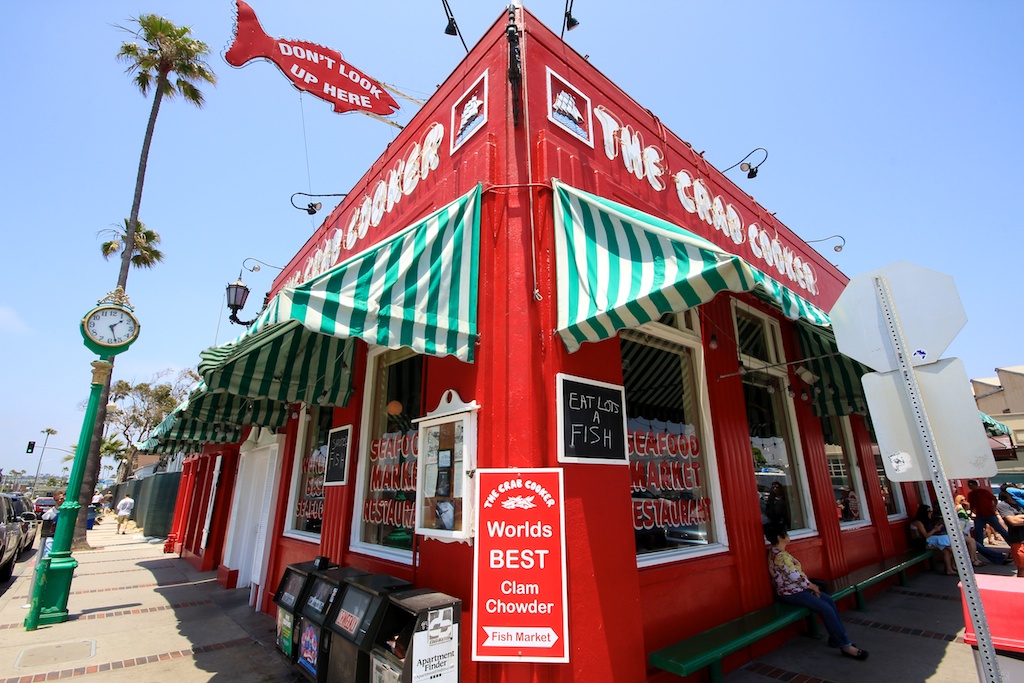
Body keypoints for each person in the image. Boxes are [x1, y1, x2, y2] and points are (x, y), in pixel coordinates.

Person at [763, 523, 868, 661]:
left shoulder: (775, 552)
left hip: (798, 590)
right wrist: (812, 587)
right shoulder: (781, 556)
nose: (788, 535)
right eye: (785, 533)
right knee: (826, 609)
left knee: (828, 601)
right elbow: (795, 576)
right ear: (779, 537)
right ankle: (845, 645)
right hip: (792, 593)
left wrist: (809, 588)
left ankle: (837, 638)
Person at [910, 504, 983, 573]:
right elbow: (926, 535)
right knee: (950, 547)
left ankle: (949, 569)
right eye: (929, 512)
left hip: (929, 540)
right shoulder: (918, 522)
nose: (931, 513)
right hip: (921, 543)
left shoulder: (926, 521)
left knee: (946, 551)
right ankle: (958, 566)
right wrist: (935, 530)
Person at [966, 480, 1010, 564]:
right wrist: (971, 513)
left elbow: (994, 499)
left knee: (1001, 530)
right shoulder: (971, 494)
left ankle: (1013, 544)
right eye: (969, 485)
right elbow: (972, 505)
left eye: (971, 485)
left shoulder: (984, 492)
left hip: (989, 514)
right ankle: (981, 550)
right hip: (980, 516)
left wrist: (994, 508)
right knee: (978, 535)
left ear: (976, 485)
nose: (970, 487)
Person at [996, 485, 1024, 578]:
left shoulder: (1021, 502)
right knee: (1022, 568)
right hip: (1018, 540)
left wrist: (1019, 517)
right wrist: (1017, 518)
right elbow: (1013, 521)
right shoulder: (1003, 505)